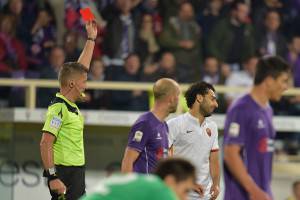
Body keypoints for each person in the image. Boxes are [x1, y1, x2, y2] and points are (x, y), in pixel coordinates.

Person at [39, 21, 97, 200]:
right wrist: (52, 177)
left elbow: (80, 69)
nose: (86, 86)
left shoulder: (70, 105)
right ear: (72, 84)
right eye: (84, 82)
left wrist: (91, 39)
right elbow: (45, 143)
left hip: (76, 171)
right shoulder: (59, 108)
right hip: (64, 173)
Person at [223, 56, 290, 200]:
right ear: (269, 81)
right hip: (242, 196)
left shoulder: (268, 110)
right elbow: (230, 154)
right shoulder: (241, 108)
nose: (286, 87)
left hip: (262, 193)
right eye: (283, 81)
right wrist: (254, 191)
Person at [167, 81, 220, 200]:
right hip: (180, 195)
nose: (216, 104)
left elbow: (214, 160)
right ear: (199, 98)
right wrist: (187, 182)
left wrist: (216, 185)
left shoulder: (212, 127)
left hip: (205, 195)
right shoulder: (174, 125)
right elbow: (167, 161)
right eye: (212, 99)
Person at [121, 78, 180, 173]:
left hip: (156, 187)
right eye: (178, 95)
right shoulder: (145, 123)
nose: (178, 100)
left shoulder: (164, 125)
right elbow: (128, 161)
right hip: (143, 187)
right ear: (171, 98)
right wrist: (129, 187)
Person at [81, 158, 196, 200]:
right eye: (185, 191)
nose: (186, 198)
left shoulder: (145, 185)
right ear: (170, 181)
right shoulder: (161, 190)